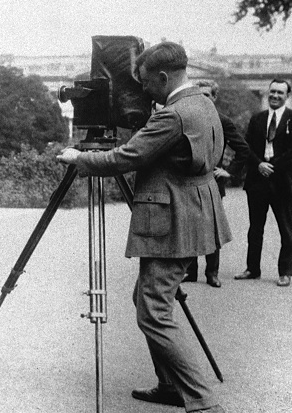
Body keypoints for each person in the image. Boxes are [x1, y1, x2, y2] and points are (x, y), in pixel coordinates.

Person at [57, 42, 228, 413]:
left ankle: (202, 401)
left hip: (174, 221)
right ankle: (170, 385)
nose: (144, 90)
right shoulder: (202, 102)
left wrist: (80, 157)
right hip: (193, 214)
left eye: (147, 82)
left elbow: (127, 156)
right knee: (147, 298)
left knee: (153, 312)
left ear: (164, 77)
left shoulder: (173, 115)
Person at [234, 79, 292, 287]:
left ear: (287, 96)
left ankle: (285, 272)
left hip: (283, 181)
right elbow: (247, 146)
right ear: (268, 94)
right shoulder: (257, 119)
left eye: (280, 93)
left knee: (286, 229)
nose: (275, 96)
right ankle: (252, 269)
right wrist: (259, 165)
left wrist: (271, 166)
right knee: (255, 228)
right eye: (272, 92)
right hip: (258, 180)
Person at [182, 80, 250, 288]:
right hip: (188, 183)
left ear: (214, 97)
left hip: (212, 183)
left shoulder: (223, 121)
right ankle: (190, 272)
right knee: (189, 227)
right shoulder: (187, 119)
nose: (203, 99)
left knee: (211, 229)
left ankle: (212, 273)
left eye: (207, 95)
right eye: (199, 95)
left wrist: (228, 172)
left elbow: (243, 150)